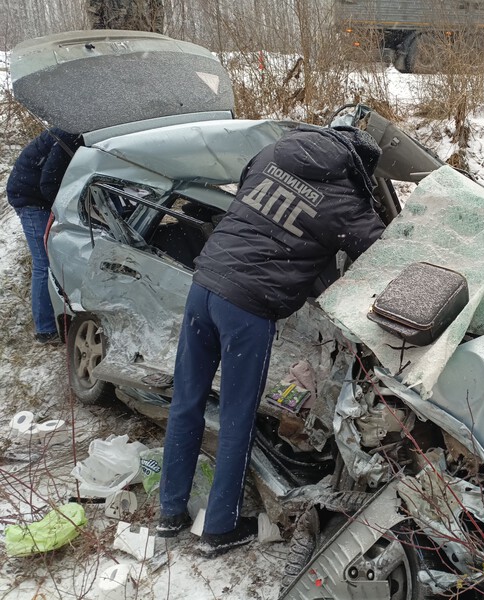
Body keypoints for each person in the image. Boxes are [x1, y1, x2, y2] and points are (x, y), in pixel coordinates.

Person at [157, 125, 386, 557]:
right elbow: (382, 252)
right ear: (357, 167)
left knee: (186, 400)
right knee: (237, 416)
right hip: (247, 307)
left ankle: (169, 513)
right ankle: (220, 528)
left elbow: (252, 205)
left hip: (203, 285)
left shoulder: (271, 156)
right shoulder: (343, 200)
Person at [6, 128, 82, 344]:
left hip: (43, 191)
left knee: (61, 259)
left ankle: (65, 317)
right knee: (45, 260)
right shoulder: (71, 134)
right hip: (29, 196)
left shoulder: (85, 131)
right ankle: (46, 330)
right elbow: (49, 183)